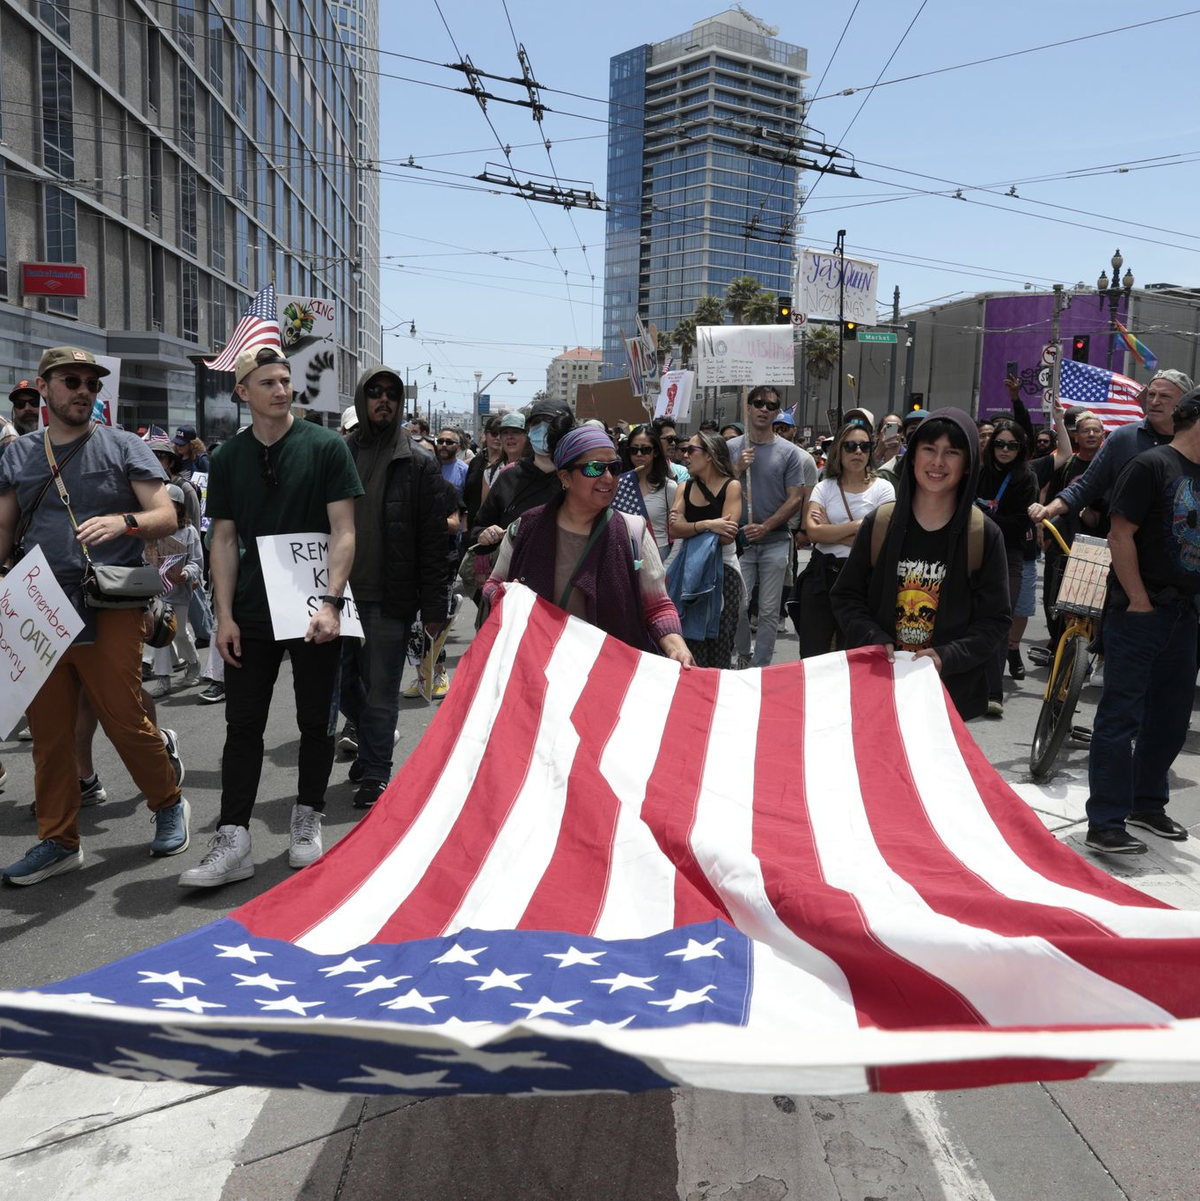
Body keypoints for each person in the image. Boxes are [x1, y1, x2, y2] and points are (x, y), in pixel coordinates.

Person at [0, 346, 190, 885]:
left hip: (109, 605)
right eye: (71, 380)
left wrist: (123, 522)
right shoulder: (18, 455)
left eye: (91, 383)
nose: (84, 390)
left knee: (124, 718)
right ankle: (59, 839)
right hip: (39, 609)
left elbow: (165, 515)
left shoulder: (124, 444)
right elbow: (5, 527)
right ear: (44, 387)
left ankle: (168, 802)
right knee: (50, 734)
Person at [178, 344, 363, 888]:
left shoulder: (327, 447)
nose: (282, 389)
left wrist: (331, 601)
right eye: (268, 382)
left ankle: (308, 814)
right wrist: (224, 616)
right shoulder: (227, 458)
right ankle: (233, 835)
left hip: (313, 608)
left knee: (315, 720)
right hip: (252, 612)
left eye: (286, 380)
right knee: (242, 726)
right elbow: (223, 539)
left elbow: (344, 530)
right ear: (242, 392)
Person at [831, 409, 1011, 721]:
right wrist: (873, 638)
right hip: (879, 684)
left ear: (968, 464)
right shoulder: (880, 523)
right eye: (929, 449)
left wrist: (948, 656)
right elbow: (846, 596)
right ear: (913, 456)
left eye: (951, 452)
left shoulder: (983, 534)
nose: (937, 462)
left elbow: (995, 620)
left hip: (948, 695)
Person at [1083, 387, 1200, 855]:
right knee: (1121, 718)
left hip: (1185, 616)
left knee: (1170, 720)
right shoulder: (1151, 464)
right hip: (1140, 612)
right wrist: (1137, 600)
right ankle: (1106, 822)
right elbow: (1120, 534)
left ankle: (1147, 804)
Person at [483, 422, 693, 664]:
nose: (608, 478)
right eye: (595, 468)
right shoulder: (524, 529)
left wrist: (677, 648)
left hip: (609, 672)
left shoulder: (633, 532)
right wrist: (505, 596)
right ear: (565, 477)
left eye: (614, 467)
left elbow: (657, 607)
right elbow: (493, 585)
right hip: (537, 669)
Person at [340, 365, 449, 810]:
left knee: (382, 690)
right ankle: (371, 743)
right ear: (361, 397)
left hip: (390, 597)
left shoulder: (419, 462)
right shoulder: (338, 453)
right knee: (339, 685)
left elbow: (433, 540)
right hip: (336, 596)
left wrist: (434, 605)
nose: (383, 399)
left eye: (391, 392)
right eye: (374, 391)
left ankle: (376, 772)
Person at [1030, 369, 1194, 528]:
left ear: (1184, 402)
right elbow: (1085, 487)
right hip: (1122, 540)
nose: (1154, 401)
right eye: (1151, 394)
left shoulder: (1195, 443)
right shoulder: (1123, 438)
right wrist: (1049, 510)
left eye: (1164, 396)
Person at [728, 386, 815, 667]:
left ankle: (760, 667)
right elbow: (717, 490)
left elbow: (795, 498)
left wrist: (765, 527)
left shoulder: (789, 452)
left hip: (776, 539)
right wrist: (737, 470)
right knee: (738, 605)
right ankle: (744, 653)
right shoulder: (731, 448)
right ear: (748, 407)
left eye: (771, 405)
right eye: (758, 403)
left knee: (767, 611)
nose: (764, 409)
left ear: (777, 413)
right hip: (740, 541)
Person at [797, 420, 895, 658]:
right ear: (838, 450)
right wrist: (860, 526)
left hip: (862, 580)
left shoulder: (883, 489)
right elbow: (814, 533)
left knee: (854, 656)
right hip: (822, 576)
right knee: (813, 655)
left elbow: (880, 542)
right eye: (850, 446)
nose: (858, 452)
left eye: (865, 446)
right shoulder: (824, 487)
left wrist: (831, 529)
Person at [974, 417, 1037, 714]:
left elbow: (1020, 525)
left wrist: (983, 517)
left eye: (1012, 445)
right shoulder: (978, 473)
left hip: (1009, 555)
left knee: (1000, 620)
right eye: (1000, 443)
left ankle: (993, 693)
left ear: (1020, 448)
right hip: (973, 551)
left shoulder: (1026, 478)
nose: (1005, 450)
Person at [668, 431, 743, 667]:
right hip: (689, 569)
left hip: (724, 570)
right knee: (690, 641)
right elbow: (674, 529)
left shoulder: (731, 486)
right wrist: (709, 524)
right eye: (684, 450)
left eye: (691, 450)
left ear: (710, 455)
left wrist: (689, 527)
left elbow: (727, 537)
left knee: (720, 640)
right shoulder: (684, 487)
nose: (685, 455)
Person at [143, 484, 205, 696]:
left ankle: (193, 662)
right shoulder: (152, 530)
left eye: (170, 503)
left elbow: (196, 562)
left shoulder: (189, 532)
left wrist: (185, 574)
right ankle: (163, 678)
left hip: (179, 591)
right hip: (157, 591)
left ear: (179, 507)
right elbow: (144, 559)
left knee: (179, 634)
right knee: (160, 634)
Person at [621, 423, 678, 558]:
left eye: (645, 449)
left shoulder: (669, 487)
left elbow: (679, 534)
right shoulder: (619, 484)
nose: (639, 454)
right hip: (625, 554)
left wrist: (669, 564)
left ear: (656, 452)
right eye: (634, 450)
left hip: (659, 554)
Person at [651, 416, 690, 483]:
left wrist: (672, 477)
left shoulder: (682, 471)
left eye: (675, 439)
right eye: (669, 439)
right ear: (655, 439)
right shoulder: (642, 468)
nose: (673, 443)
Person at [434, 427, 469, 492]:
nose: (444, 445)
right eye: (440, 441)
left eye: (449, 442)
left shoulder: (464, 470)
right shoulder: (429, 466)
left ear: (458, 446)